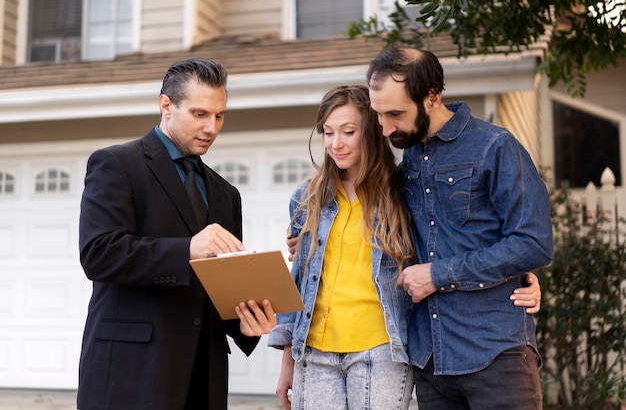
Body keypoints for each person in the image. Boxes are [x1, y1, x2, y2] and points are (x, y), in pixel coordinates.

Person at [272, 85, 542, 410]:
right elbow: (299, 281)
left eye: (348, 131)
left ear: (372, 132)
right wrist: (286, 361)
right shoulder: (307, 199)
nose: (336, 143)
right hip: (314, 354)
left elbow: (444, 244)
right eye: (328, 132)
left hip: (381, 350)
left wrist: (520, 276)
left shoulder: (402, 192)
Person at [77, 58, 277, 410]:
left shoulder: (226, 193)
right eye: (200, 114)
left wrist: (245, 324)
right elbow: (99, 253)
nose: (212, 127)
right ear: (166, 106)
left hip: (204, 377)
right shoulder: (116, 165)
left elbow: (220, 286)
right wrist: (188, 249)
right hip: (131, 374)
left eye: (219, 116)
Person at [367, 44, 553, 410]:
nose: (385, 128)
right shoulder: (403, 167)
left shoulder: (495, 147)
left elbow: (533, 242)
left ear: (433, 97)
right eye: (378, 114)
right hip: (431, 361)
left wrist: (438, 274)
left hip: (495, 352)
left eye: (395, 114)